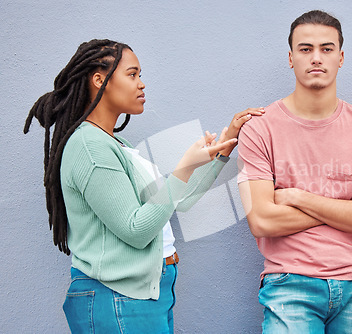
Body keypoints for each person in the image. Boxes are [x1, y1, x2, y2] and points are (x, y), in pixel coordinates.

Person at [23, 39, 263, 333]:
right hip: (119, 298)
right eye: (132, 74)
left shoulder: (116, 144)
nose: (141, 84)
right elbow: (136, 230)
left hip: (143, 296)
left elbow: (174, 202)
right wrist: (185, 165)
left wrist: (223, 151)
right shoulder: (89, 147)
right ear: (100, 81)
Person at [237, 10, 352, 333]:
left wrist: (296, 197)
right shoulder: (259, 129)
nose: (317, 58)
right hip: (289, 284)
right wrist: (346, 207)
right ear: (291, 58)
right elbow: (263, 220)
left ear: (341, 57)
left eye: (326, 48)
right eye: (306, 49)